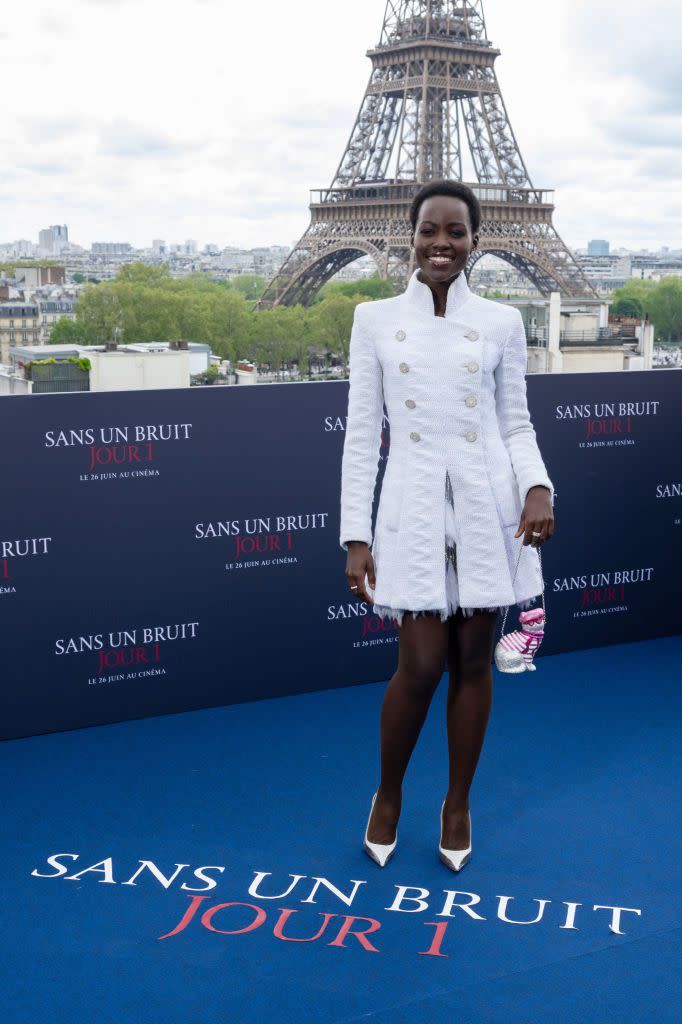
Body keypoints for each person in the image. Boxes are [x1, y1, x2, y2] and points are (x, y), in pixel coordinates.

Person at [339, 179, 555, 871]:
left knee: (471, 660)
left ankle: (458, 801)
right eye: (430, 230)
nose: (441, 244)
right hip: (412, 503)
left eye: (455, 232)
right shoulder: (373, 318)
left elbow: (514, 421)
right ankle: (390, 791)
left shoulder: (501, 322)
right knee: (421, 662)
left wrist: (538, 486)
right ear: (411, 236)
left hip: (489, 505)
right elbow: (361, 434)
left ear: (474, 240)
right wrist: (356, 536)